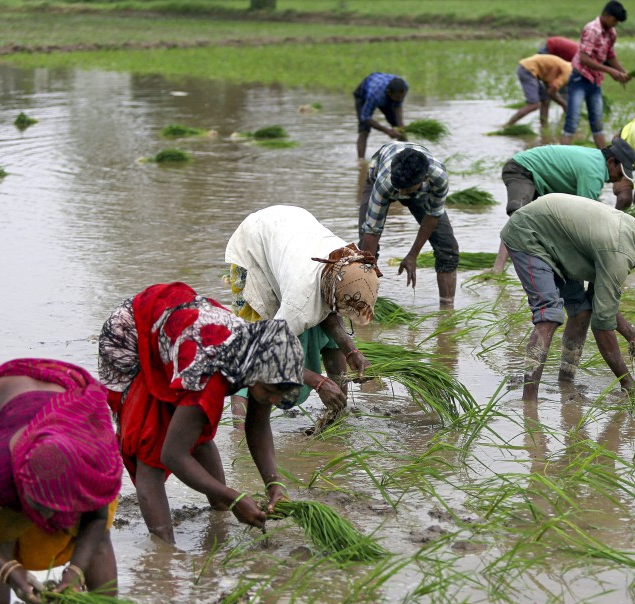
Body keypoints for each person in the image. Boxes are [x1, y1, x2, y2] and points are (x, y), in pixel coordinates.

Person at [98, 282, 304, 544]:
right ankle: (164, 549)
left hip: (177, 329)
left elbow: (258, 426)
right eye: (271, 391)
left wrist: (274, 482)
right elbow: (172, 455)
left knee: (195, 430)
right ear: (255, 373)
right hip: (131, 337)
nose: (275, 398)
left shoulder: (261, 359)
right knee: (149, 448)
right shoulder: (209, 374)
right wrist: (234, 497)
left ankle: (218, 510)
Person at [0, 358, 123, 604]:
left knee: (99, 538)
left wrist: (75, 572)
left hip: (71, 399)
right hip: (10, 397)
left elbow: (96, 519)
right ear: (21, 482)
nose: (46, 519)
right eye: (38, 506)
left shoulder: (91, 468)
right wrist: (9, 569)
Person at [500, 193, 635, 401]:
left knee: (582, 311)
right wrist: (627, 382)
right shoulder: (620, 252)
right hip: (528, 233)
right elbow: (602, 326)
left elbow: (602, 304)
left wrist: (631, 335)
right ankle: (529, 401)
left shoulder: (632, 234)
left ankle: (565, 382)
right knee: (549, 315)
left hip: (559, 241)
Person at [225, 205, 381, 422]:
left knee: (328, 334)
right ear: (329, 293)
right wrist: (319, 382)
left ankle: (337, 415)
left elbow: (330, 313)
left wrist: (351, 351)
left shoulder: (349, 263)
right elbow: (271, 351)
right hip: (254, 246)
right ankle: (240, 431)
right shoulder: (301, 301)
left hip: (290, 234)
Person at [493, 140, 635, 272]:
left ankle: (540, 266)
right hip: (522, 169)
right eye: (620, 172)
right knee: (518, 218)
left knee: (538, 224)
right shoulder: (594, 172)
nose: (619, 178)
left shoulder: (595, 159)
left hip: (539, 178)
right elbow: (583, 217)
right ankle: (498, 269)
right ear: (611, 162)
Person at [358, 141, 460, 306]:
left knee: (447, 248)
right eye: (398, 190)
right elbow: (372, 230)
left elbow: (433, 215)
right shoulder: (386, 182)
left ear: (424, 178)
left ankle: (447, 310)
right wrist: (367, 270)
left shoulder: (438, 177)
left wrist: (412, 255)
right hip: (379, 180)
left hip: (420, 193)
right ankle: (364, 303)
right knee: (366, 249)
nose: (400, 195)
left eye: (405, 191)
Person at [560, 1, 631, 148]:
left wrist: (622, 71)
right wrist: (611, 71)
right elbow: (584, 58)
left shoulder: (611, 33)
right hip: (580, 78)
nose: (615, 24)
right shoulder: (592, 29)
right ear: (606, 15)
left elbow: (610, 56)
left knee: (597, 122)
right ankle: (560, 157)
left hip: (595, 80)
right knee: (572, 120)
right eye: (614, 20)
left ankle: (605, 160)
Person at [504, 54, 571, 129]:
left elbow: (549, 89)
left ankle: (544, 127)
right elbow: (551, 92)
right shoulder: (568, 73)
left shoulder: (566, 68)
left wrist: (563, 104)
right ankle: (508, 125)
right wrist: (564, 105)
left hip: (529, 69)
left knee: (545, 100)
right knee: (534, 104)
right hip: (527, 70)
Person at [354, 72, 408, 159]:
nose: (400, 99)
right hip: (363, 94)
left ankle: (406, 156)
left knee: (400, 130)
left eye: (402, 97)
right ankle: (361, 161)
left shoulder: (404, 86)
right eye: (397, 97)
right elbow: (365, 117)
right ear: (389, 93)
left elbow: (398, 104)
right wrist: (387, 131)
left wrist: (400, 124)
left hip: (383, 89)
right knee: (364, 130)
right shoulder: (376, 95)